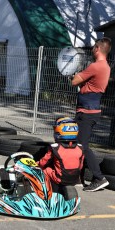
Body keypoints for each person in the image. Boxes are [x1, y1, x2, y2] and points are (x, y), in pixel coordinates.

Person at [70, 37, 112, 192]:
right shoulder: (105, 66)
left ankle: (99, 177)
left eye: (94, 47)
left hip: (87, 113)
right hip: (87, 110)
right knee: (76, 144)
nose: (92, 49)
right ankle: (78, 177)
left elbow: (74, 81)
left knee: (82, 146)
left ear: (97, 48)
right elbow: (87, 83)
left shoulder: (96, 66)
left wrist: (76, 77)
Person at [38, 117, 84, 191]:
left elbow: (43, 162)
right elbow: (80, 166)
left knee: (44, 170)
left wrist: (36, 164)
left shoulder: (55, 148)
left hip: (60, 178)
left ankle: (45, 191)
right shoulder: (80, 148)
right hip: (75, 178)